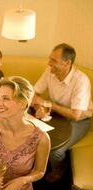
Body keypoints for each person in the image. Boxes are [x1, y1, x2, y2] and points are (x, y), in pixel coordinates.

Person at [33, 43, 92, 182]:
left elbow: (76, 115)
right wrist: (38, 107)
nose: (49, 63)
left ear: (67, 63)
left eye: (53, 60)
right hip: (57, 115)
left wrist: (49, 104)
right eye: (50, 59)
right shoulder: (49, 71)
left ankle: (59, 169)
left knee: (56, 152)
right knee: (32, 135)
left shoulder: (81, 81)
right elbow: (34, 93)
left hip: (78, 122)